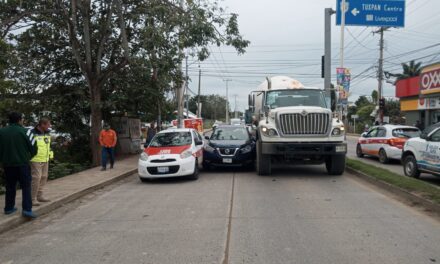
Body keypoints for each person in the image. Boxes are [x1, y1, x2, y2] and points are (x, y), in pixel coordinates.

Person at [0, 112, 38, 218]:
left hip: (7, 165)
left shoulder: (1, 132)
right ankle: (27, 209)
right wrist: (28, 157)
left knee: (10, 186)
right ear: (20, 120)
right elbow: (34, 148)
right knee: (26, 186)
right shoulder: (26, 131)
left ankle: (8, 208)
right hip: (23, 164)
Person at [30, 118, 54, 206]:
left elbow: (48, 146)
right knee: (36, 178)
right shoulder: (32, 133)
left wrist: (50, 156)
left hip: (45, 159)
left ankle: (39, 196)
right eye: (48, 125)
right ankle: (32, 199)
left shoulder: (47, 133)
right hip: (35, 159)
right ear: (42, 125)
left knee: (44, 177)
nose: (49, 126)